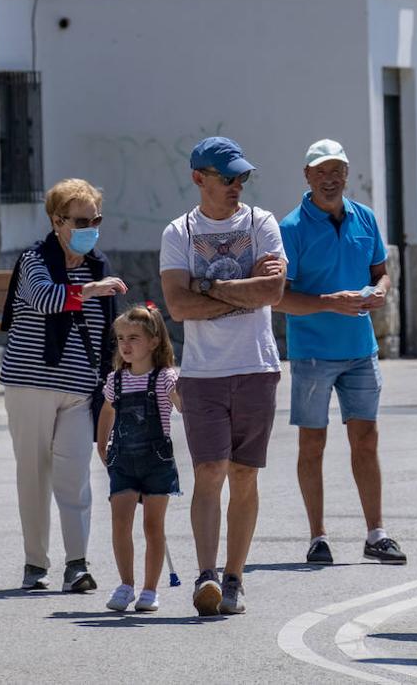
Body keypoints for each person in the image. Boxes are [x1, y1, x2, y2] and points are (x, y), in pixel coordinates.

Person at [160, 136, 288, 616]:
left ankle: (235, 576)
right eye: (226, 177)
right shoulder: (178, 232)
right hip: (202, 373)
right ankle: (206, 576)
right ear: (199, 178)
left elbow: (272, 289)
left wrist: (208, 285)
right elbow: (177, 305)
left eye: (242, 177)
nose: (237, 185)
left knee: (244, 475)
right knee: (208, 472)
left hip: (256, 365)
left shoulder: (262, 223)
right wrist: (240, 289)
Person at [277, 139, 406, 567]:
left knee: (366, 440)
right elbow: (280, 298)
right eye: (321, 171)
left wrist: (379, 293)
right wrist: (330, 301)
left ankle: (377, 533)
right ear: (307, 176)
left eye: (337, 170)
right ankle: (318, 536)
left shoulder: (365, 218)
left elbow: (381, 273)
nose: (330, 178)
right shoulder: (290, 228)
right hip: (312, 352)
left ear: (346, 174)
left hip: (360, 350)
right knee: (312, 443)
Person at [0, 178, 126, 592]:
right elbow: (44, 298)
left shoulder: (98, 267)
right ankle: (36, 564)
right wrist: (88, 291)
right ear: (57, 222)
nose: (90, 226)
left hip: (78, 389)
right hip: (30, 384)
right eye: (81, 220)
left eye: (96, 219)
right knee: (33, 475)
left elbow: (109, 335)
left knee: (75, 477)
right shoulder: (34, 261)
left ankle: (77, 564)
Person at [96, 303, 181, 613]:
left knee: (152, 526)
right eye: (120, 338)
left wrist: (187, 389)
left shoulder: (165, 377)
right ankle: (126, 584)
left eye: (134, 338)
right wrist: (101, 443)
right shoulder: (115, 379)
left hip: (157, 462)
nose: (126, 345)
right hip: (124, 461)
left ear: (154, 341)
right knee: (120, 522)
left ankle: (149, 589)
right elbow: (107, 410)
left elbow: (180, 402)